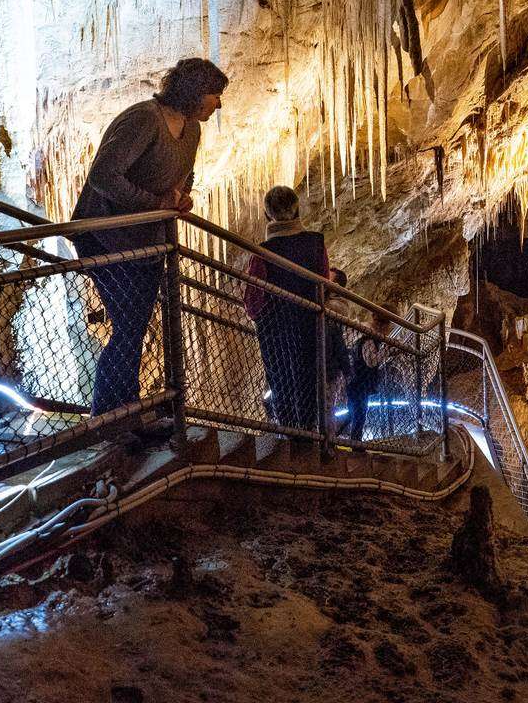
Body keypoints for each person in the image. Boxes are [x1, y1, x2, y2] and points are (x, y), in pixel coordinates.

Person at [72, 58, 227, 417]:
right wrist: (154, 203)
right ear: (194, 92)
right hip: (104, 234)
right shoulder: (143, 120)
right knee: (128, 325)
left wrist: (181, 195)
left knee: (134, 327)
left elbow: (184, 175)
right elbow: (104, 176)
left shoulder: (192, 130)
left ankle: (123, 410)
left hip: (146, 240)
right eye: (214, 95)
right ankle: (112, 414)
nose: (218, 104)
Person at [253, 185, 340, 435]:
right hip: (309, 324)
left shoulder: (262, 253)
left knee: (281, 380)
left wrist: (263, 317)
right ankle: (309, 432)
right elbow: (323, 280)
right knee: (309, 376)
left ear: (268, 215)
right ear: (297, 211)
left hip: (275, 330)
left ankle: (289, 432)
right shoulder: (315, 243)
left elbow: (254, 299)